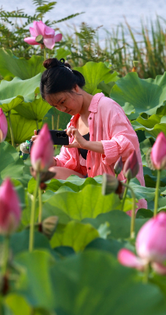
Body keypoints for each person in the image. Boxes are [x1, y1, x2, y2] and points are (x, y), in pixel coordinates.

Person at [33, 58, 148, 209]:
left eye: (62, 101)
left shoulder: (107, 107)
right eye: (56, 106)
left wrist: (87, 144)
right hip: (93, 195)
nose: (62, 109)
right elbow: (66, 163)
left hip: (119, 194)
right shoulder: (72, 124)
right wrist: (44, 154)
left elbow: (128, 145)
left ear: (75, 87)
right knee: (50, 173)